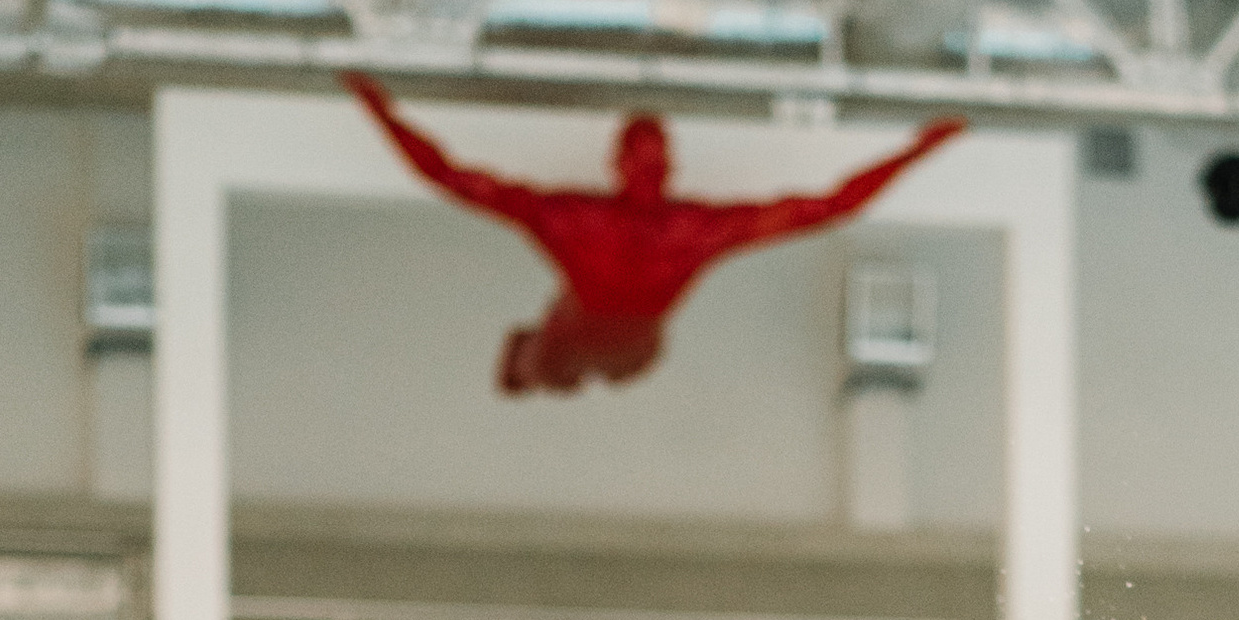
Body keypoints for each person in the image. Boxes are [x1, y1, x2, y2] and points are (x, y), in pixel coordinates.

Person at [342, 80, 963, 390]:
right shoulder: (580, 235)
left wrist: (921, 148)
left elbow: (831, 208)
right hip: (608, 243)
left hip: (638, 244)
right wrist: (372, 104)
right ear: (562, 316)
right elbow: (447, 178)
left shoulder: (665, 248)